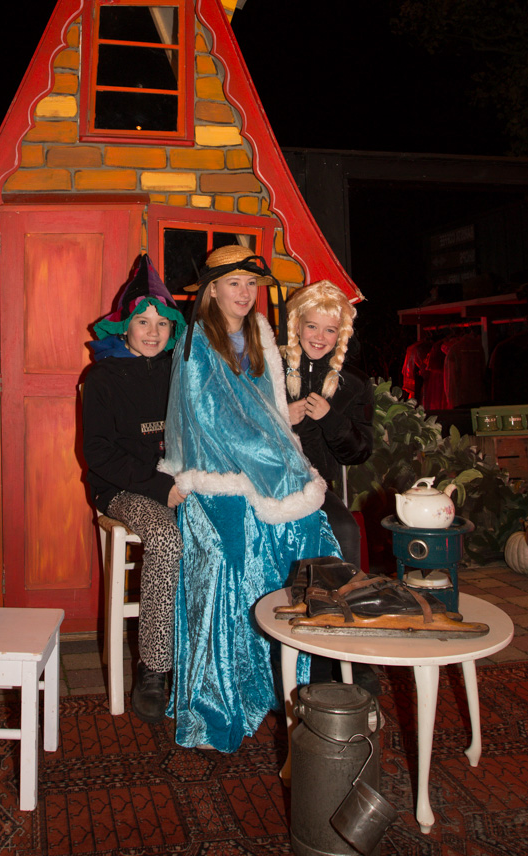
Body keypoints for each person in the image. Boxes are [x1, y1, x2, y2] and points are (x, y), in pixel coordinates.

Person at [162, 245, 340, 752]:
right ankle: (217, 702)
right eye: (233, 283)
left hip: (261, 469)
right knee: (230, 561)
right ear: (212, 290)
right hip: (215, 475)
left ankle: (286, 684)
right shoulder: (197, 341)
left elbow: (271, 413)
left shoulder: (260, 335)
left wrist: (283, 460)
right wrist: (275, 466)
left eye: (250, 283)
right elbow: (214, 421)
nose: (244, 293)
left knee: (303, 537)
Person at [81, 255, 187, 724]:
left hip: (177, 483)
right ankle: (154, 667)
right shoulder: (102, 379)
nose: (152, 331)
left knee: (225, 527)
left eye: (162, 323)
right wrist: (160, 488)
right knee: (164, 537)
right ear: (124, 326)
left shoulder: (177, 373)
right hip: (122, 490)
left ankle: (203, 655)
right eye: (143, 322)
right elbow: (99, 454)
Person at [282, 281, 374, 569]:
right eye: (312, 326)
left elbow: (359, 452)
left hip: (317, 487)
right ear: (297, 326)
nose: (320, 337)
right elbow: (241, 428)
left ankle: (344, 595)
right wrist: (280, 417)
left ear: (341, 334)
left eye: (330, 330)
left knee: (345, 531)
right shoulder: (268, 367)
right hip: (267, 481)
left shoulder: (354, 383)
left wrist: (330, 419)